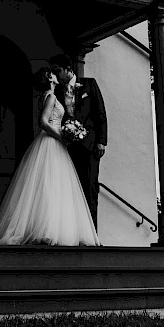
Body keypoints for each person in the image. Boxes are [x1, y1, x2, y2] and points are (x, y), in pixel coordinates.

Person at [0, 67, 100, 246]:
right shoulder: (51, 97)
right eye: (53, 74)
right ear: (50, 78)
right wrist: (63, 136)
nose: (56, 75)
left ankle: (47, 229)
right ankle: (46, 230)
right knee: (49, 184)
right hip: (51, 142)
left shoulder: (47, 95)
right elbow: (44, 122)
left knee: (49, 185)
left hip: (52, 141)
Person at [49, 53, 107, 228]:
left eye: (58, 71)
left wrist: (101, 141)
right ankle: (73, 231)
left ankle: (91, 234)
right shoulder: (57, 91)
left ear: (68, 69)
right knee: (70, 188)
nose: (56, 75)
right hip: (68, 146)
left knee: (90, 188)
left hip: (90, 145)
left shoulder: (89, 84)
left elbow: (100, 114)